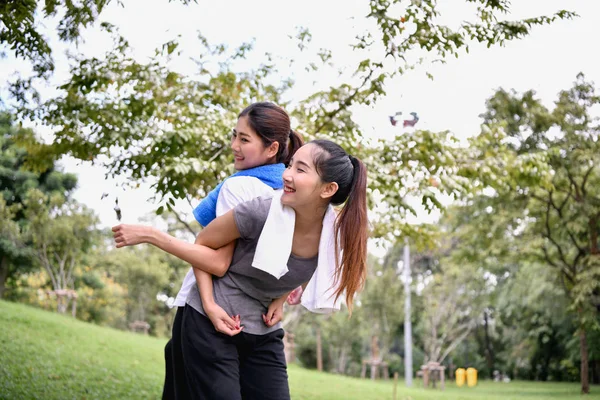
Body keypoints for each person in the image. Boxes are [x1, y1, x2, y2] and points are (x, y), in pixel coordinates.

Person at [115, 139, 369, 399]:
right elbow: (204, 244)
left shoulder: (336, 237)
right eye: (290, 165)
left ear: (328, 189)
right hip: (210, 322)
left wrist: (280, 298)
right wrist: (209, 304)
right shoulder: (261, 211)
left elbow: (305, 269)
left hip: (262, 332)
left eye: (300, 170)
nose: (287, 175)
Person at [113, 101, 303, 399]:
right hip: (240, 318)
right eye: (234, 136)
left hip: (208, 315)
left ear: (272, 148)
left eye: (244, 139)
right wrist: (284, 293)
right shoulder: (295, 194)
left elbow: (217, 262)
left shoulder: (240, 187)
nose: (234, 146)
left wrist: (151, 235)